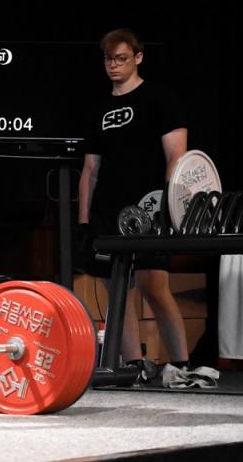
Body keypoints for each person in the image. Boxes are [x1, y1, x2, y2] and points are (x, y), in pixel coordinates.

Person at [77, 28, 190, 380]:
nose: (113, 65)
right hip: (109, 210)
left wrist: (168, 206)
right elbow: (90, 170)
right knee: (117, 290)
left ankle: (181, 364)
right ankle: (133, 366)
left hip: (149, 206)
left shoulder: (160, 98)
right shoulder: (99, 109)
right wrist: (84, 221)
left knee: (154, 284)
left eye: (121, 58)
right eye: (108, 59)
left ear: (138, 57)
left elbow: (177, 156)